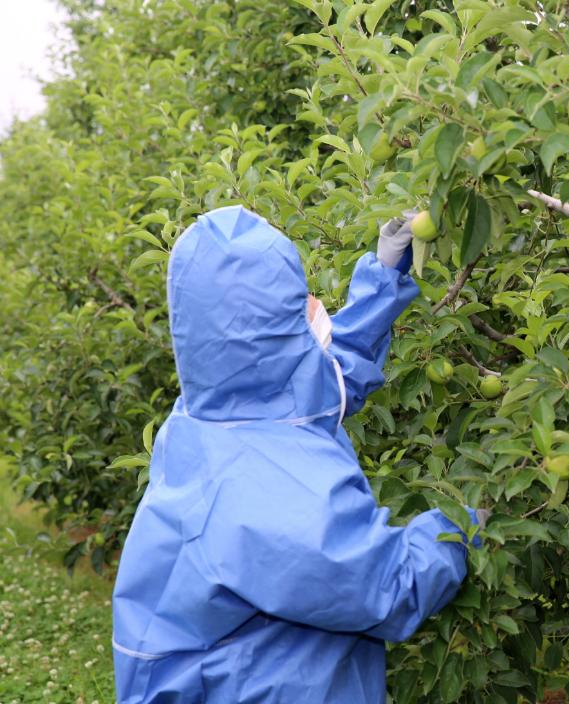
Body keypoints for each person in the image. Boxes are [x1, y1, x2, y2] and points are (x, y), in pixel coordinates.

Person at [111, 205, 484, 703]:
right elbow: (388, 587)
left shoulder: (207, 414)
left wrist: (383, 277)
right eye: (295, 303)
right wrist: (462, 527)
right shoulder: (263, 492)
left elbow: (314, 383)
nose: (310, 305)